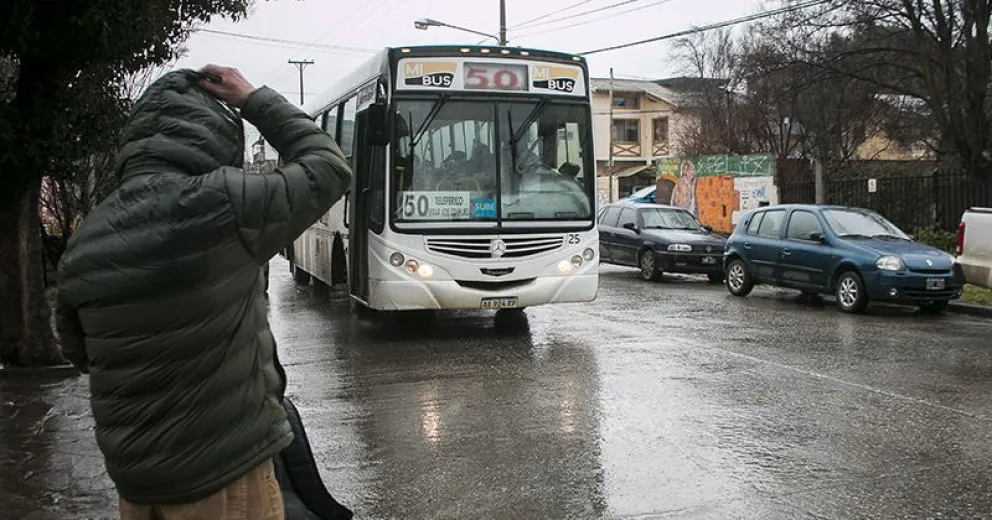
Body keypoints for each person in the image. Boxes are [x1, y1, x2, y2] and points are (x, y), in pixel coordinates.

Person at [54, 65, 352, 519]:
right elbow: (328, 167)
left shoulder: (86, 239)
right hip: (224, 475)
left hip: (137, 485)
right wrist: (253, 99)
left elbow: (82, 353)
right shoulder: (224, 203)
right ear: (214, 135)